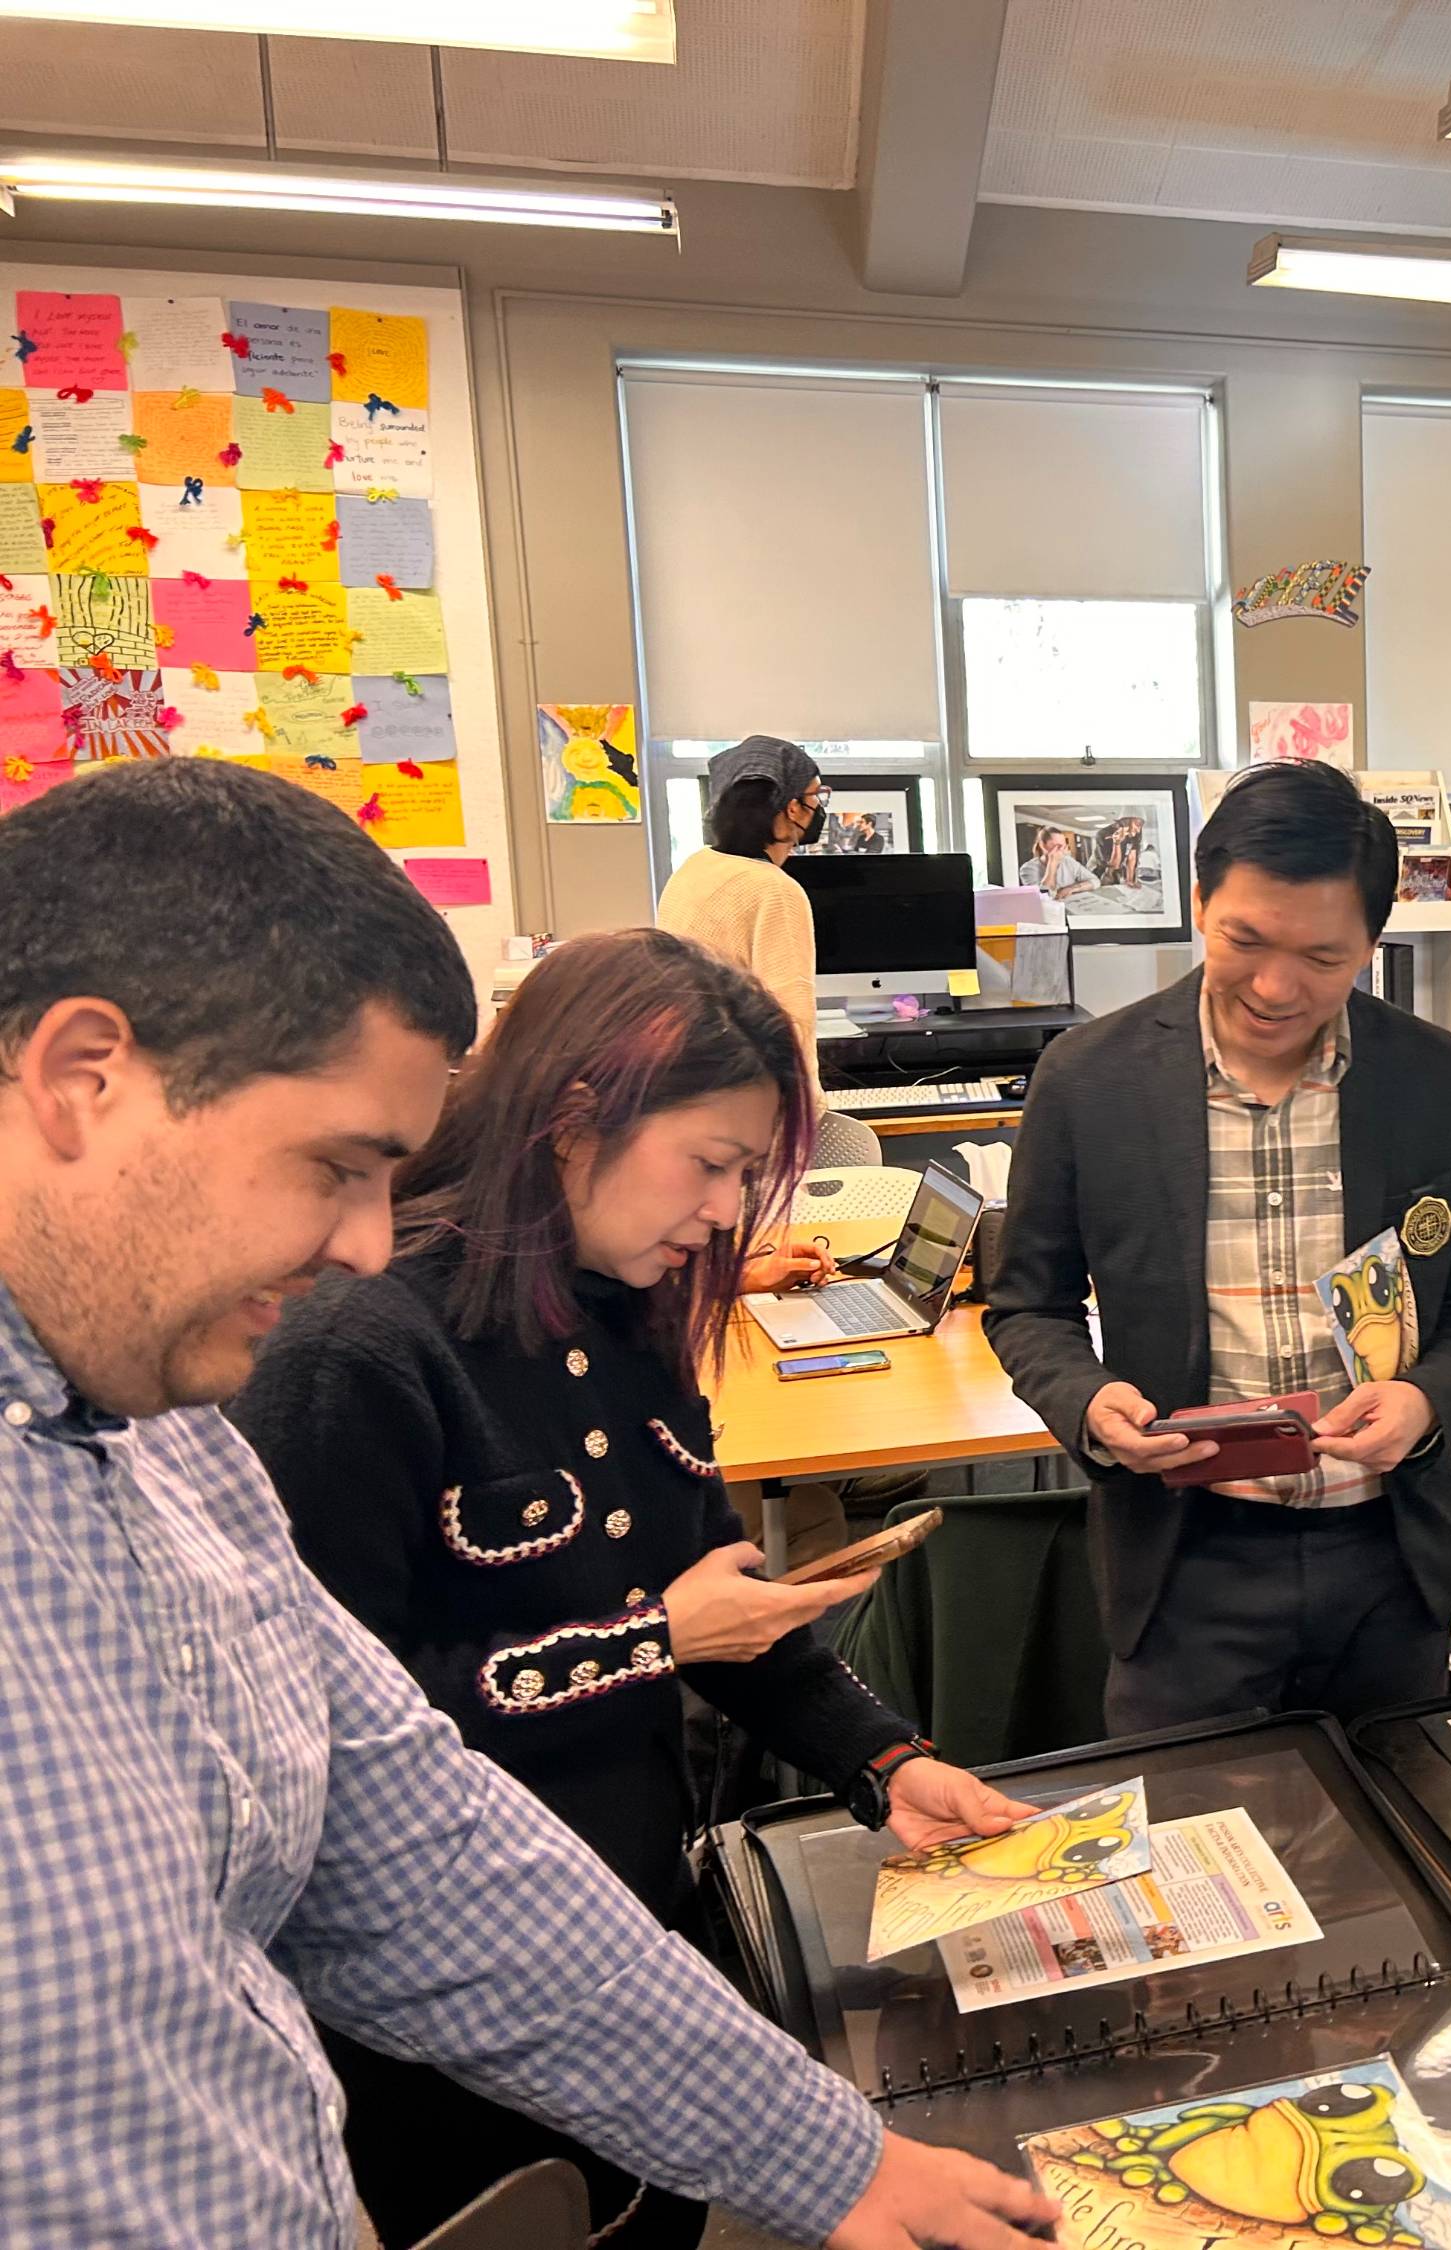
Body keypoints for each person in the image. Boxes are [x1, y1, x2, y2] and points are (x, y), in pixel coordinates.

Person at [0, 761, 1052, 2250]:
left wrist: (832, 2149)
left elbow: (415, 1844)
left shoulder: (171, 1449)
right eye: (332, 1167)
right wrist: (650, 1641)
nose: (365, 1241)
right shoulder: (336, 1355)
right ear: (79, 1078)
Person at [230, 927, 1033, 2247]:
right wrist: (650, 1641)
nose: (726, 1212)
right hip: (446, 2017)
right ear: (572, 1118)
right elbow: (322, 1737)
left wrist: (884, 1760)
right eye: (710, 1164)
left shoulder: (631, 1304)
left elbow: (725, 1604)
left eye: (746, 1175)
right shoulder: (359, 1348)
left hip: (642, 1932)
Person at [984, 760, 1451, 1729]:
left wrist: (1425, 1400)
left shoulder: (1432, 1078)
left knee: (1400, 1816)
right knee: (1197, 1823)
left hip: (1392, 1559)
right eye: (1246, 941)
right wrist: (1089, 1400)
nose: (1276, 988)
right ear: (1200, 904)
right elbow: (1029, 1306)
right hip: (1185, 1563)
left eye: (1322, 957)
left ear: (1372, 941)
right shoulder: (1090, 1080)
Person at [655, 734, 831, 1111]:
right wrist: (807, 1112)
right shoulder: (773, 889)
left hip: (687, 1084)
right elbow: (791, 1019)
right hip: (746, 1093)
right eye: (816, 795)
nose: (819, 806)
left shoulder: (694, 868)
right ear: (792, 808)